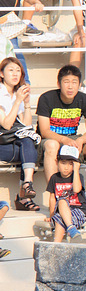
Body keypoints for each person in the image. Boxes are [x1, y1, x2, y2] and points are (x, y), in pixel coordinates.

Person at [37, 64, 86, 182]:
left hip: (73, 140)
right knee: (52, 145)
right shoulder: (46, 98)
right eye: (66, 82)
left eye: (74, 82)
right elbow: (44, 131)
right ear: (59, 84)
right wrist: (64, 140)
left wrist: (80, 140)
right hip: (50, 140)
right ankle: (54, 191)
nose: (70, 87)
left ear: (79, 85)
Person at [0, 56, 40, 211]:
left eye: (18, 70)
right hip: (2, 142)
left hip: (12, 142)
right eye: (11, 70)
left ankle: (27, 184)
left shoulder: (18, 93)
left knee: (29, 144)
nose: (15, 74)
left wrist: (27, 103)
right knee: (29, 152)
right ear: (2, 74)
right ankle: (23, 197)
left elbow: (26, 126)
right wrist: (17, 101)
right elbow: (6, 124)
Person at [47, 144, 86, 242]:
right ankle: (71, 229)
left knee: (59, 218)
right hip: (63, 211)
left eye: (71, 164)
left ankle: (55, 245)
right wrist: (51, 215)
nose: (66, 167)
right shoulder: (54, 178)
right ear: (57, 163)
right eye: (63, 163)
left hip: (79, 210)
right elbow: (52, 197)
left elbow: (76, 189)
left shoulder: (78, 177)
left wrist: (76, 170)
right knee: (61, 204)